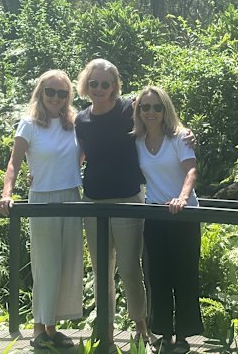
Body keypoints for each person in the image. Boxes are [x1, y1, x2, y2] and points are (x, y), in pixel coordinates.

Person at [0, 70, 83, 349]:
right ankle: (38, 328)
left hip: (71, 195)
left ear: (69, 96)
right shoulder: (29, 124)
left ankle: (52, 327)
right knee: (46, 264)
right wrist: (7, 193)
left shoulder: (75, 122)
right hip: (42, 199)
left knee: (68, 263)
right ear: (40, 92)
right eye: (50, 92)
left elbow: (84, 152)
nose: (56, 98)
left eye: (62, 93)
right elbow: (14, 161)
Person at [75, 59, 149, 342]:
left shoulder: (128, 109)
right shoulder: (81, 120)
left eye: (105, 84)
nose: (99, 88)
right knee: (101, 270)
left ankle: (142, 328)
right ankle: (104, 329)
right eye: (93, 83)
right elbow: (76, 157)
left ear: (114, 86)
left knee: (130, 269)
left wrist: (184, 137)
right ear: (86, 84)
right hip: (93, 202)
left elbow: (158, 121)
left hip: (128, 198)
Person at [132, 86, 204, 354]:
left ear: (166, 110)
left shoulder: (180, 138)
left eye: (157, 107)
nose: (151, 112)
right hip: (154, 215)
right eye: (145, 107)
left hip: (183, 215)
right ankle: (162, 333)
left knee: (184, 276)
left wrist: (182, 198)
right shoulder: (137, 141)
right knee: (157, 276)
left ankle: (183, 336)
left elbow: (191, 171)